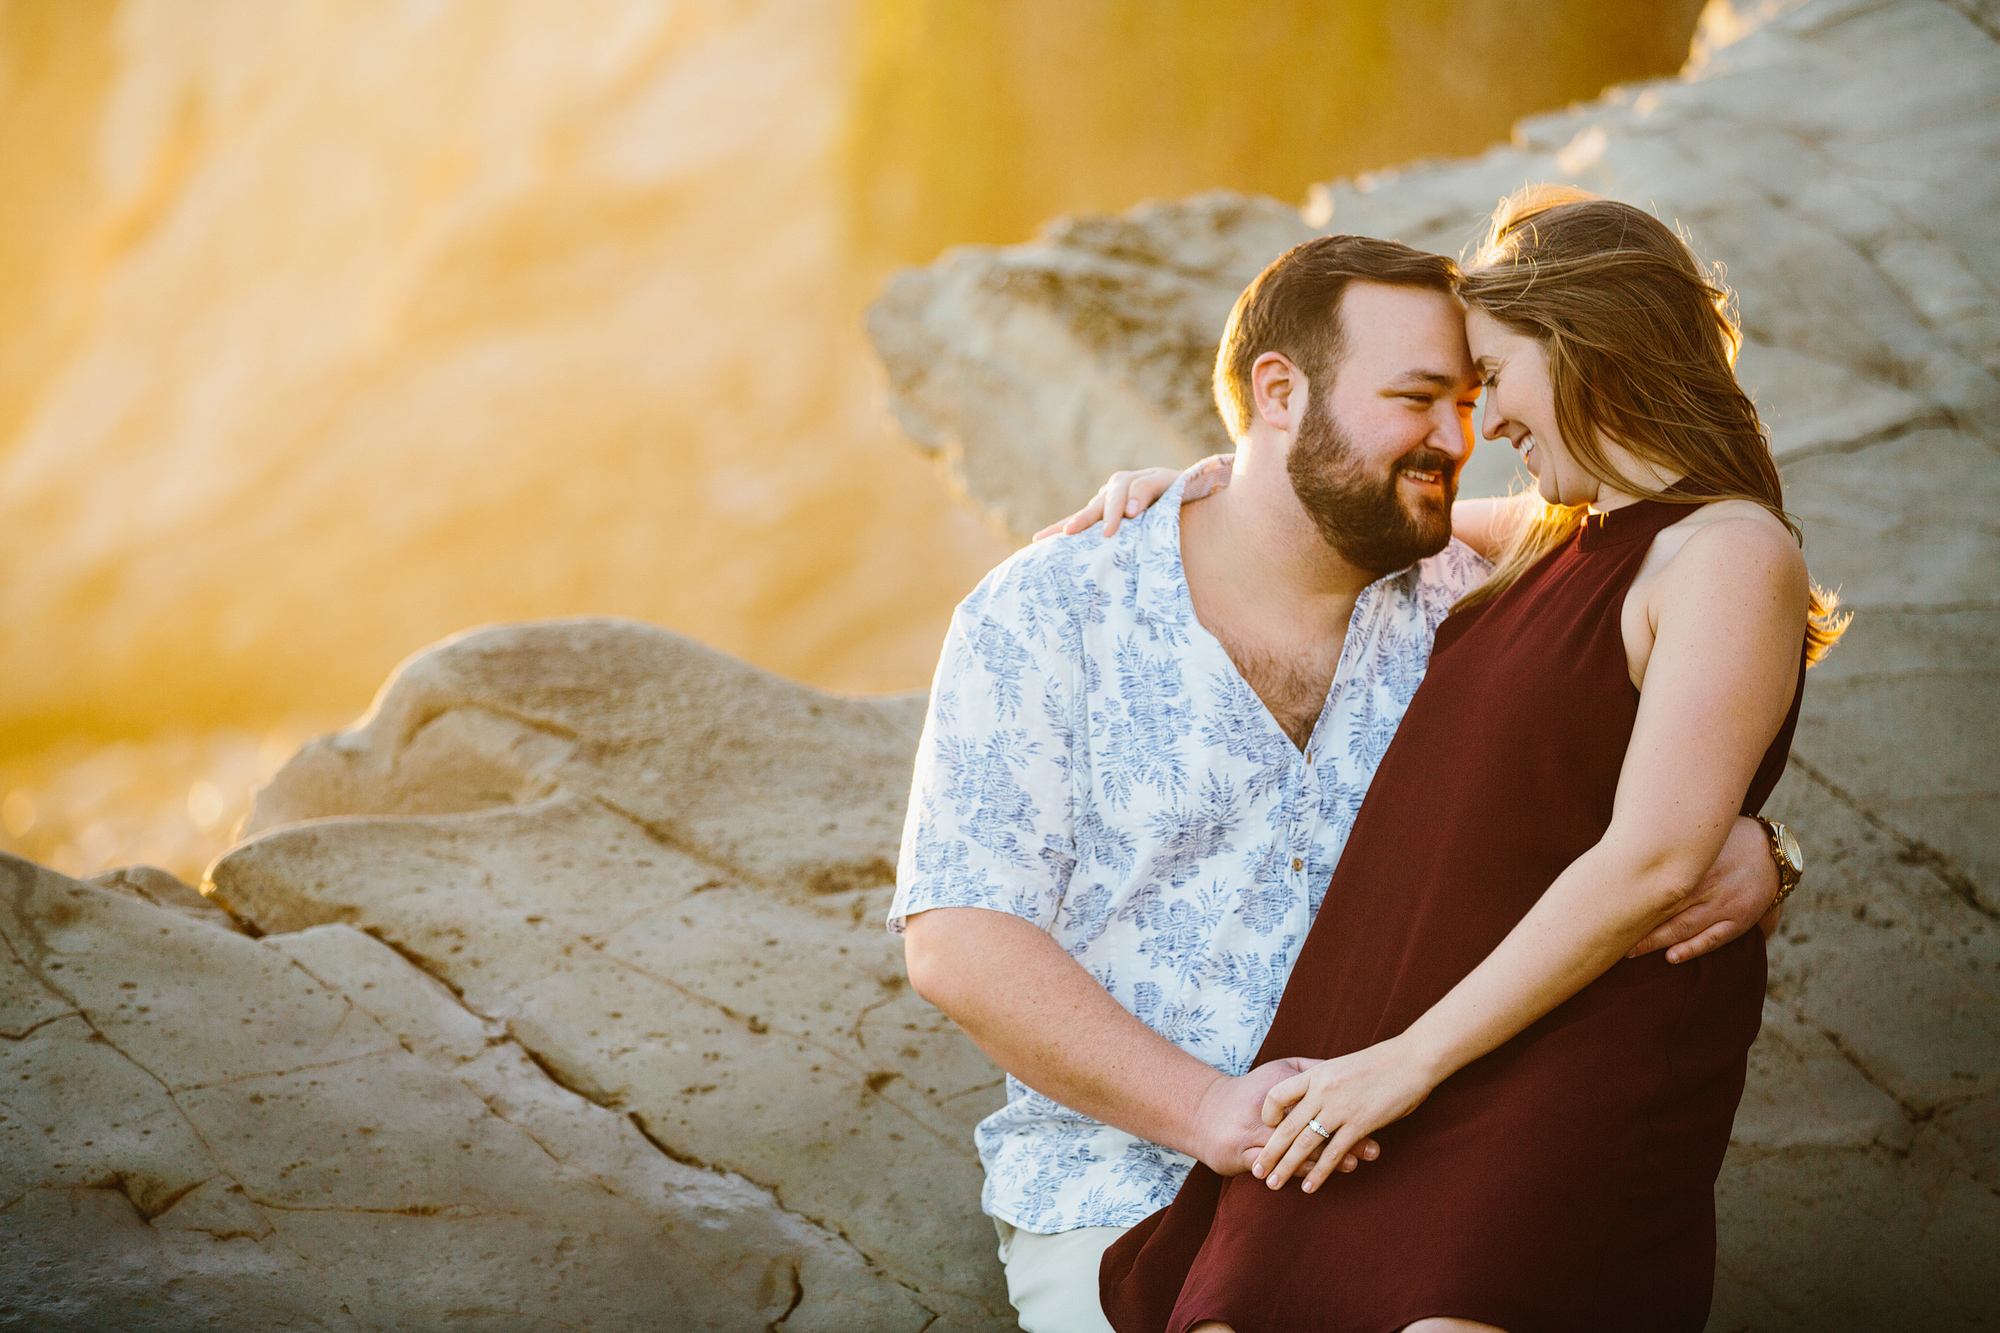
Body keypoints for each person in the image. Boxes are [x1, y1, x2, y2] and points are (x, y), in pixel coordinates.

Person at [890, 218, 1796, 1333]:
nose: (1461, 436)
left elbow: (1665, 660)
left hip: (1423, 1142)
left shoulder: (1474, 586)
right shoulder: (1051, 607)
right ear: (1278, 391)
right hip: (1128, 1180)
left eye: (1470, 397)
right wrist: (1211, 1110)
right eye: (1417, 397)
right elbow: (957, 935)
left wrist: (1756, 846)